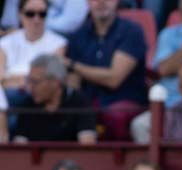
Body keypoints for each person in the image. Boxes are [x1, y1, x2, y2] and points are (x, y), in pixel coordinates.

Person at [64, 0, 147, 137]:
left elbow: (114, 79)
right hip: (89, 101)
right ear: (87, 2)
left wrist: (73, 65)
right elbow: (74, 81)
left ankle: (121, 159)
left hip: (124, 99)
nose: (101, 2)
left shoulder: (131, 31)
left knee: (115, 115)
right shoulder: (78, 36)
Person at [10, 53, 97, 143]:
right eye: (29, 81)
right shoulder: (28, 105)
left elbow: (87, 146)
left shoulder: (79, 103)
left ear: (56, 82)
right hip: (35, 157)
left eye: (35, 82)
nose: (30, 87)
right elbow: (20, 146)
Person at [0, 0, 67, 93]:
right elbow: (1, 80)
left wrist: (12, 79)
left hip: (38, 98)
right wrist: (32, 80)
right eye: (30, 14)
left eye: (42, 14)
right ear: (20, 14)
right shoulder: (5, 42)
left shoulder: (59, 43)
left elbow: (50, 81)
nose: (36, 19)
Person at [0, 0, 88, 37]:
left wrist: (32, 26)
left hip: (58, 37)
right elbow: (9, 22)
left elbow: (70, 23)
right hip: (13, 35)